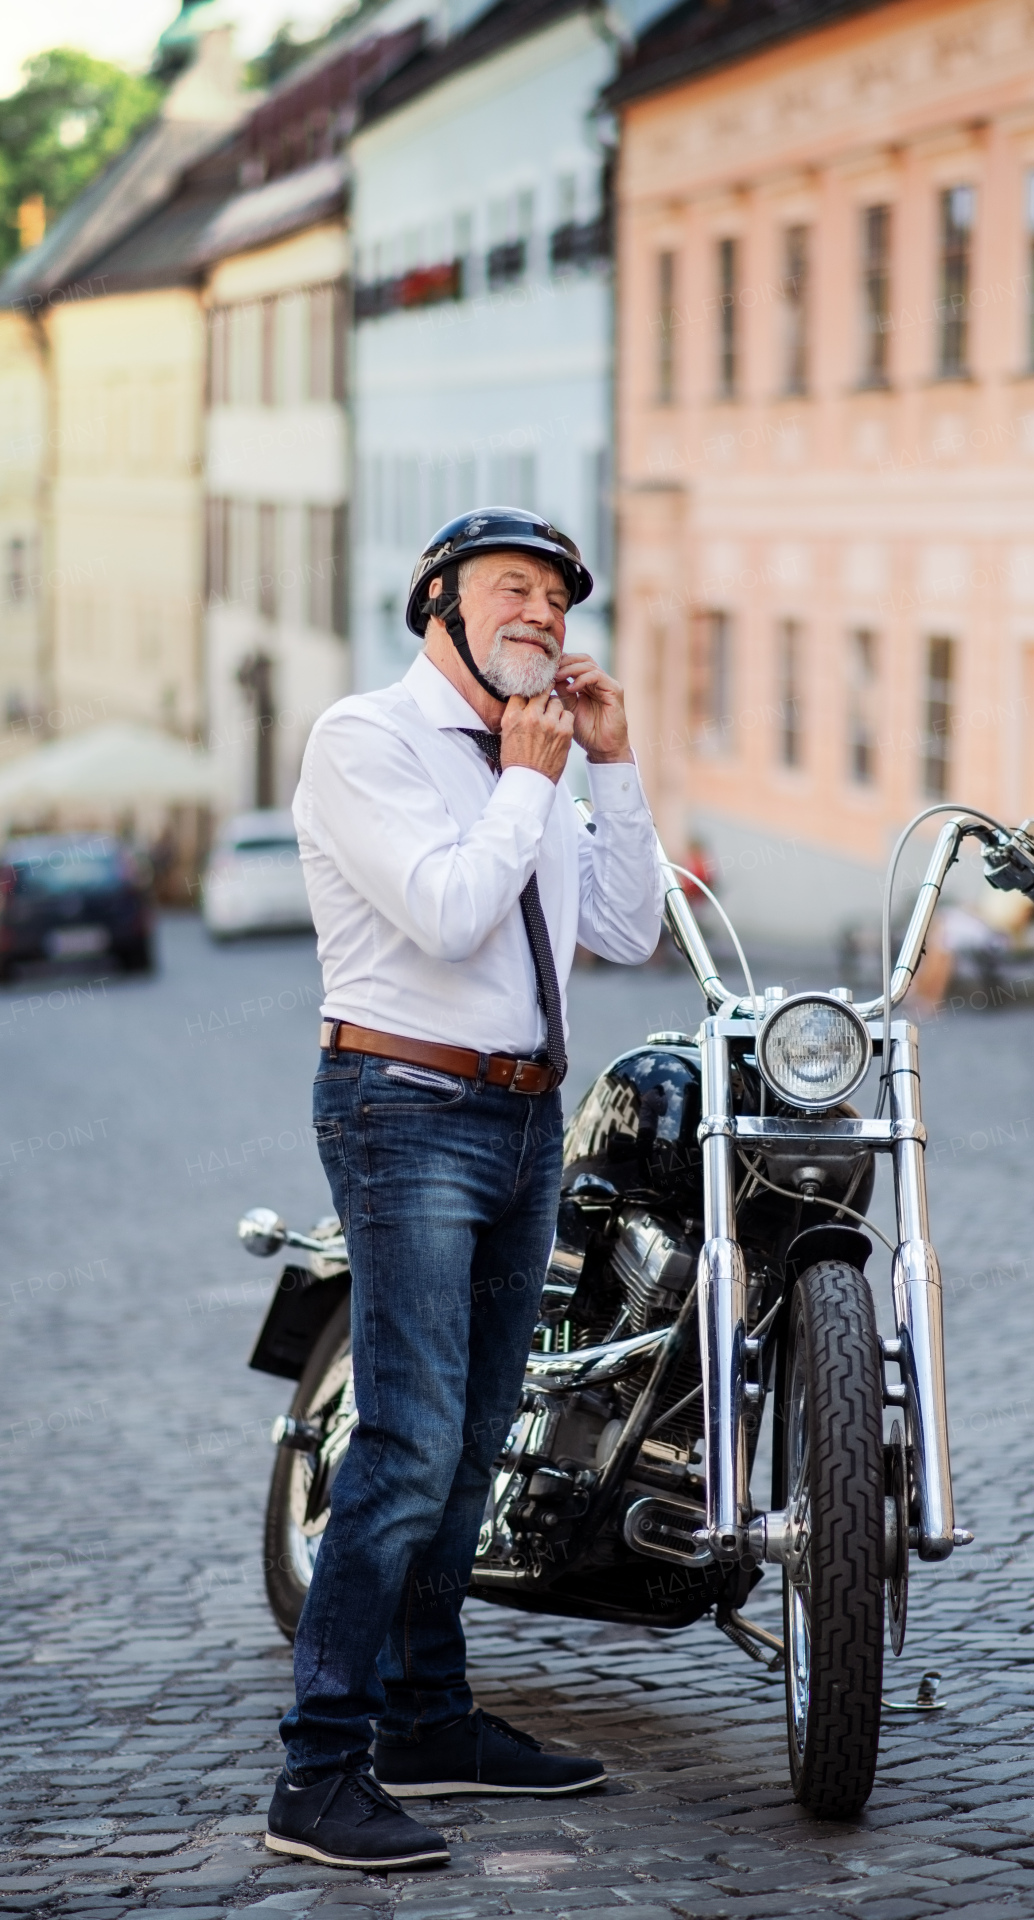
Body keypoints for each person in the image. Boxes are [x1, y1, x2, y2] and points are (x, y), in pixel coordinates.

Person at [265, 509, 663, 1871]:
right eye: (513, 587)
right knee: (408, 1438)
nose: (542, 613)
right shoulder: (365, 740)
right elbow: (445, 913)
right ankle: (319, 1772)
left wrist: (608, 767)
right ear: (437, 603)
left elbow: (626, 926)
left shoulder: (540, 759)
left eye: (557, 595)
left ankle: (429, 1720)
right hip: (405, 1108)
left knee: (479, 1434)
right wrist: (530, 781)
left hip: (523, 1116)